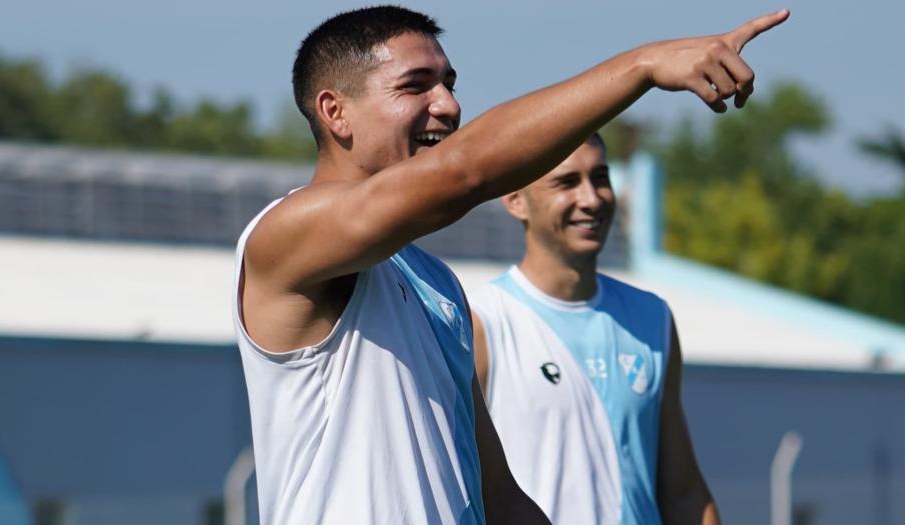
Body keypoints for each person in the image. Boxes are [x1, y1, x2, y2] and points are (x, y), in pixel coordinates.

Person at [231, 5, 786, 523]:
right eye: (415, 86)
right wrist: (641, 66)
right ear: (335, 112)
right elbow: (463, 173)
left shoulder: (434, 282)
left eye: (449, 83)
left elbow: (498, 497)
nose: (448, 105)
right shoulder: (284, 238)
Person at [470, 135, 719, 525]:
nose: (592, 198)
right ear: (515, 199)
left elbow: (683, 492)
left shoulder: (652, 318)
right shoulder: (483, 322)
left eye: (600, 177)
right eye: (567, 182)